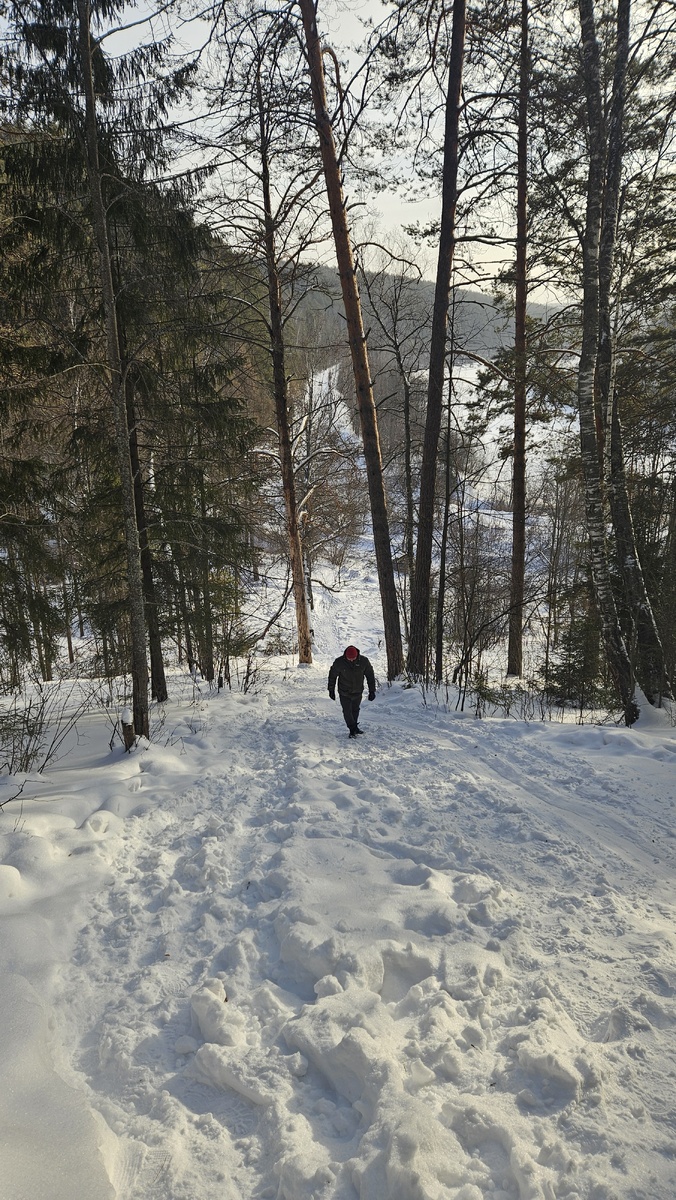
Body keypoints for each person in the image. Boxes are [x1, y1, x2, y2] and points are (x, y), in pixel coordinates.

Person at [328, 645, 376, 738]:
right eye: (349, 658)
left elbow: (370, 676)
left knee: (355, 710)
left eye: (353, 658)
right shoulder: (339, 662)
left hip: (358, 691)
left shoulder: (364, 661)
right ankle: (352, 729)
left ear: (357, 655)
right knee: (347, 711)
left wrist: (372, 691)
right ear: (345, 656)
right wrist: (331, 690)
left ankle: (354, 728)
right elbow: (332, 676)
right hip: (344, 691)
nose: (351, 660)